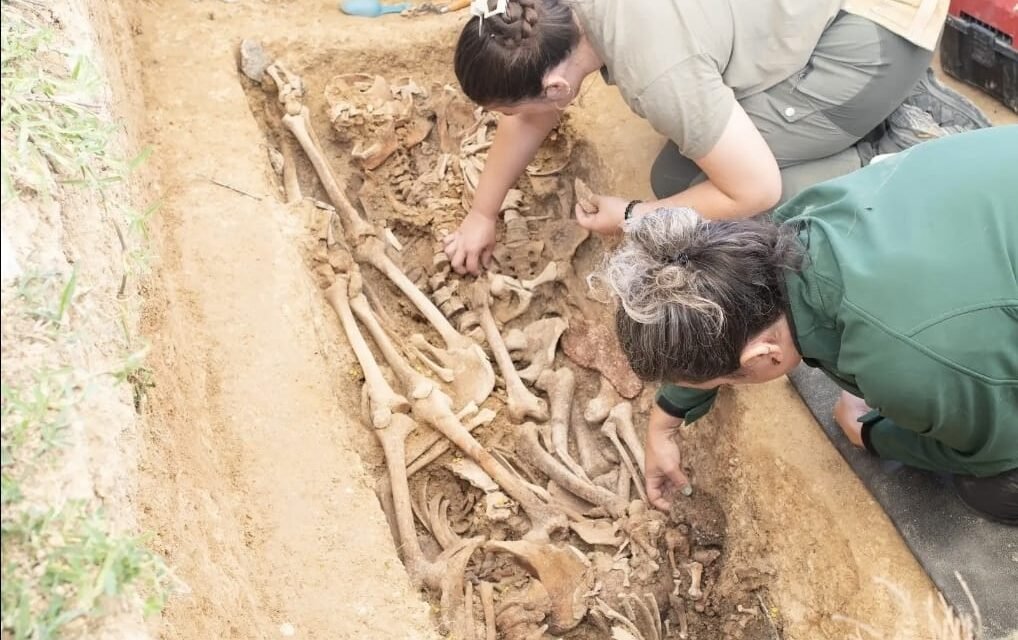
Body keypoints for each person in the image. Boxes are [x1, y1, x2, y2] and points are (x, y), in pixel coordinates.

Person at [593, 126, 1018, 525]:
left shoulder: (908, 365)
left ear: (765, 356)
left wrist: (872, 435)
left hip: (953, 343)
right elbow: (717, 310)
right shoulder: (803, 218)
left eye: (724, 380)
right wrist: (667, 415)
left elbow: (997, 448)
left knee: (994, 488)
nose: (723, 383)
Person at [444, 0, 956, 274]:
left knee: (681, 182)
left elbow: (754, 189)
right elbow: (531, 112)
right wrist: (481, 212)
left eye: (509, 106)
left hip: (879, 29)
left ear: (555, 87)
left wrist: (630, 217)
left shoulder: (658, 71)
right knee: (695, 173)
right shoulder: (541, 19)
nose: (513, 116)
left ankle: (899, 148)